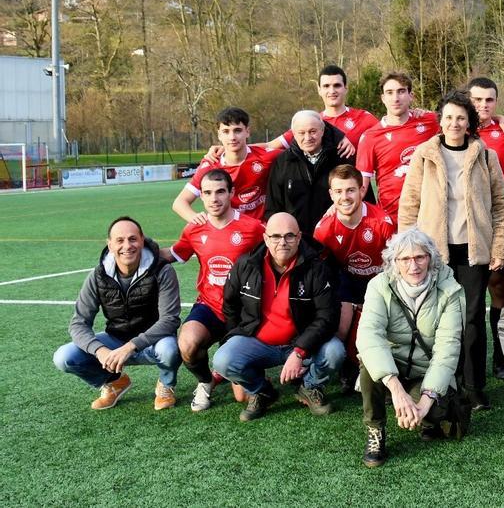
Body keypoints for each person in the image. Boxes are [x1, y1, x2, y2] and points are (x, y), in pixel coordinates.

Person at [397, 90, 504, 411]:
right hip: (435, 255)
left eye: (461, 118)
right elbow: (409, 206)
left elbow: (502, 206)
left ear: (469, 122)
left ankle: (474, 386)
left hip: (474, 252)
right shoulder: (424, 155)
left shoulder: (485, 155)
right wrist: (409, 251)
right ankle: (447, 382)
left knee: (472, 318)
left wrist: (499, 247)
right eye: (448, 117)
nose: (454, 123)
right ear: (441, 120)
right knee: (441, 320)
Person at [212, 212, 345, 422]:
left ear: (299, 237)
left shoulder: (317, 267)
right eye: (275, 236)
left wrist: (300, 351)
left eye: (289, 236)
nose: (282, 242)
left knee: (335, 351)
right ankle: (262, 391)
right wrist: (235, 337)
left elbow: (327, 316)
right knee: (223, 360)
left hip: (300, 343)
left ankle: (310, 386)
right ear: (265, 238)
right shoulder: (246, 264)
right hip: (258, 342)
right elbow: (230, 306)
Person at [357, 228, 466, 467]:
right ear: (394, 262)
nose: (413, 266)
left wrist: (424, 405)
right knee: (368, 364)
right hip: (394, 365)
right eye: (405, 259)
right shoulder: (379, 286)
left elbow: (447, 350)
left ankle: (429, 420)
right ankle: (376, 431)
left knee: (434, 411)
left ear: (431, 258)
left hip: (426, 369)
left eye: (419, 257)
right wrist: (396, 389)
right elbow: (368, 336)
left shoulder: (450, 289)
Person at [161, 169, 265, 411]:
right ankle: (205, 381)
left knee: (242, 397)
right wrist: (139, 248)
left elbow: (278, 251)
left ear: (231, 193)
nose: (214, 199)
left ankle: (239, 366)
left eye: (220, 192)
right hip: (209, 305)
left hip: (242, 312)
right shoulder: (194, 229)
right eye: (207, 193)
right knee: (187, 343)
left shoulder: (252, 227)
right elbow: (173, 254)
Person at [53, 217, 182, 411]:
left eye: (133, 239)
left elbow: (170, 320)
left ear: (142, 240)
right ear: (110, 245)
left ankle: (166, 384)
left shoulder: (162, 271)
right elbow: (78, 323)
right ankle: (114, 382)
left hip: (154, 342)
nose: (127, 246)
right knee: (64, 357)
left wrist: (131, 346)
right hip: (116, 339)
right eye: (120, 240)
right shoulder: (98, 275)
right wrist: (100, 351)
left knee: (170, 349)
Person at [313, 164, 397, 392]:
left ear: (362, 190)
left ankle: (382, 368)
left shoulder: (382, 223)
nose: (345, 197)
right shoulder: (324, 229)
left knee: (379, 326)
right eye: (338, 191)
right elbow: (322, 273)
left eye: (350, 190)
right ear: (331, 194)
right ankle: (344, 368)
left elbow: (396, 268)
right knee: (341, 326)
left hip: (381, 282)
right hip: (346, 283)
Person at [467, 76, 504, 380]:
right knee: (466, 297)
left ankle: (500, 357)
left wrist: (502, 119)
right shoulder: (453, 128)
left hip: (496, 223)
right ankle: (468, 362)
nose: (483, 105)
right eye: (477, 99)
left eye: (489, 100)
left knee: (498, 289)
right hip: (463, 227)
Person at [172, 107, 283, 223]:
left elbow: (293, 133)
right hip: (228, 230)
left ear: (247, 132)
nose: (232, 137)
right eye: (226, 131)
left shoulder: (265, 157)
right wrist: (198, 221)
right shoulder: (210, 165)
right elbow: (180, 202)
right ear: (219, 135)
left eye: (237, 131)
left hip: (263, 230)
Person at [356, 71, 439, 218]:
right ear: (383, 98)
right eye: (389, 92)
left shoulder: (430, 121)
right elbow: (361, 186)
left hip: (430, 213)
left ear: (411, 96)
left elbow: (463, 123)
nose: (395, 98)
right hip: (393, 216)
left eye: (401, 91)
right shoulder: (370, 137)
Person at [265, 110, 351, 241]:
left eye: (312, 131)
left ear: (322, 131)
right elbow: (273, 208)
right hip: (296, 241)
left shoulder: (341, 157)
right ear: (294, 134)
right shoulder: (282, 162)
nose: (307, 138)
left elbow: (358, 198)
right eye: (301, 133)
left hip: (336, 238)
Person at [271, 64, 379, 154]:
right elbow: (270, 146)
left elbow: (386, 143)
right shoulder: (311, 122)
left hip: (354, 174)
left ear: (346, 88)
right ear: (319, 90)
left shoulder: (364, 118)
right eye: (326, 86)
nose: (332, 91)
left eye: (337, 85)